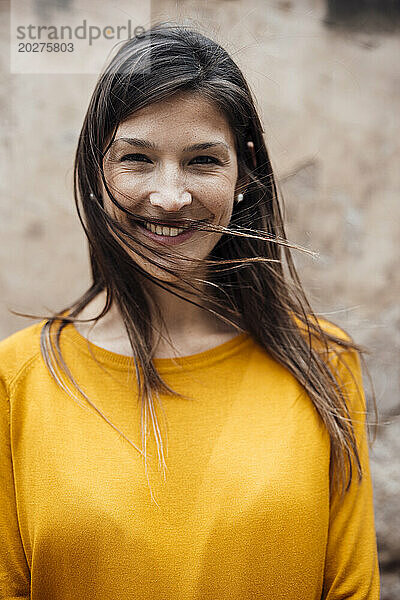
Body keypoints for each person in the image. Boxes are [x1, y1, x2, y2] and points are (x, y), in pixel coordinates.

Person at [0, 21, 380, 600]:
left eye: (203, 161)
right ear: (95, 174)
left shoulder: (325, 365)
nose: (171, 196)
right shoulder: (17, 379)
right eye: (136, 160)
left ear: (243, 174)